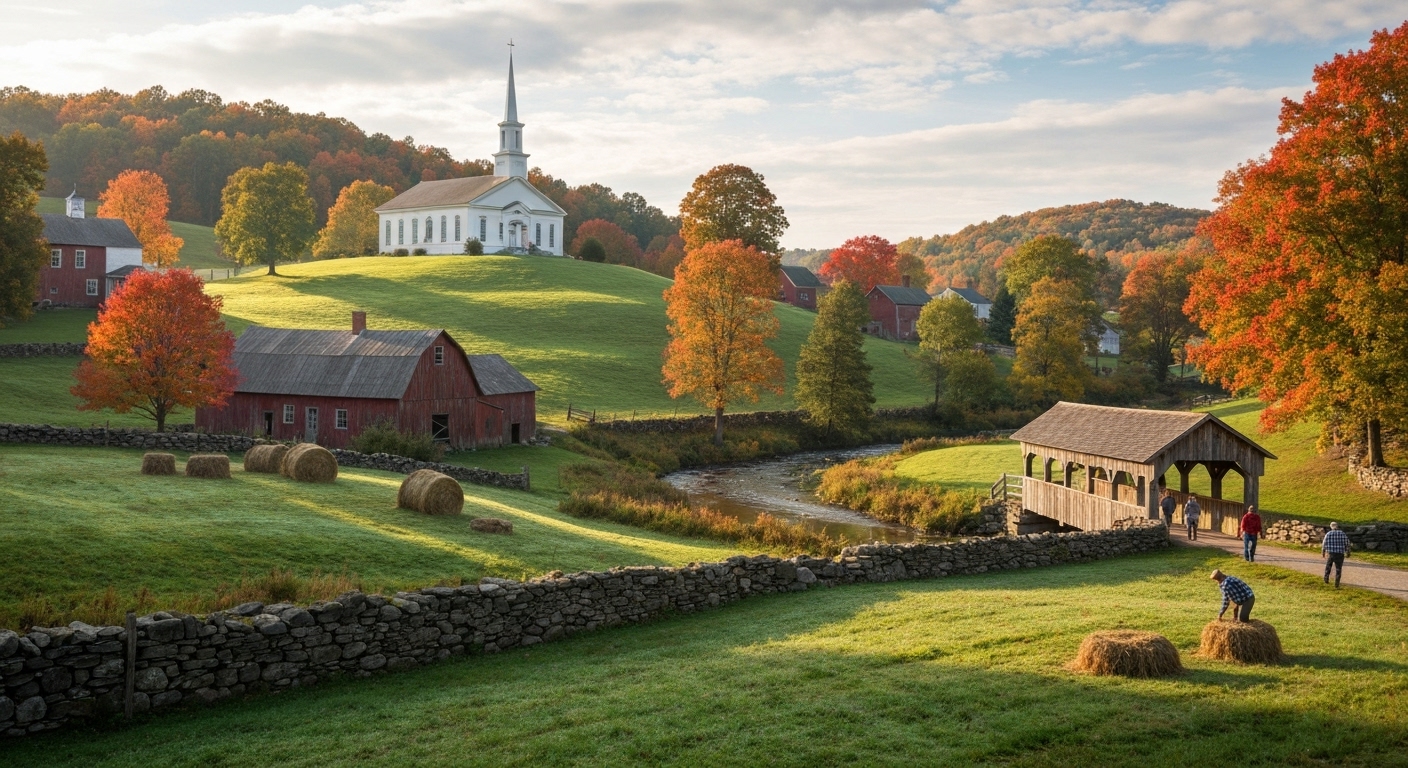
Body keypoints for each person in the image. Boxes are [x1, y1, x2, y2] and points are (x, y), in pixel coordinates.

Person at [1322, 521, 1351, 588]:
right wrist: (1348, 552)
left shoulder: (1328, 534)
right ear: (1337, 526)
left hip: (1331, 553)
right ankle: (1337, 583)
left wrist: (1323, 552)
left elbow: (1324, 544)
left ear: (1331, 527)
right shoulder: (1342, 533)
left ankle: (1326, 579)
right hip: (1340, 553)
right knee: (1338, 568)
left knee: (1328, 566)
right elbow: (1347, 543)